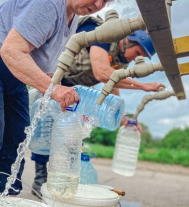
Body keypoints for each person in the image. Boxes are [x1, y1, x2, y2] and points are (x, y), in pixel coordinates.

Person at [0, 0, 126, 198]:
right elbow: (13, 51)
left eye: (105, 1)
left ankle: (2, 198)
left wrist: (61, 92)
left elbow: (42, 66)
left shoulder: (72, 15)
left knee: (18, 135)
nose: (99, 4)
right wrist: (54, 90)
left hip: (11, 68)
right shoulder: (48, 1)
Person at [30, 14, 165, 197]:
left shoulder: (119, 61)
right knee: (45, 129)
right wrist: (143, 86)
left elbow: (111, 87)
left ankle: (61, 180)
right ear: (129, 40)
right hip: (50, 80)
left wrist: (123, 118)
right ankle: (40, 179)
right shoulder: (103, 35)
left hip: (73, 92)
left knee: (70, 135)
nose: (135, 60)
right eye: (138, 53)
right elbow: (101, 72)